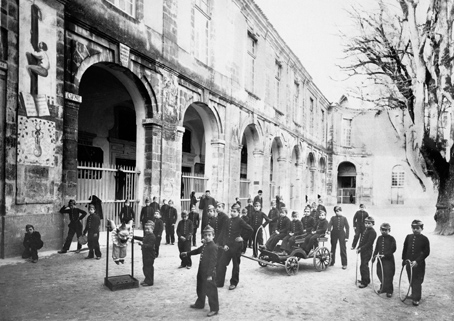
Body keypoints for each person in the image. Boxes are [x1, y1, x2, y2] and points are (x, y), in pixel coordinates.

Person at [182, 225, 219, 317]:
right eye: (205, 235)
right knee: (200, 287)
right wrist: (188, 253)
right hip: (201, 271)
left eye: (209, 235)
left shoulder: (213, 247)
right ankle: (200, 303)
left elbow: (213, 262)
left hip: (209, 273)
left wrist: (210, 274)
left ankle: (214, 309)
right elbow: (198, 250)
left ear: (213, 236)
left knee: (211, 291)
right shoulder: (206, 245)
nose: (207, 237)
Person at [216, 203, 253, 290]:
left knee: (235, 265)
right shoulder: (228, 220)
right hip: (228, 246)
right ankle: (219, 282)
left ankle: (234, 282)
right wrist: (224, 244)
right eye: (231, 211)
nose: (232, 213)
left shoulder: (240, 221)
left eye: (234, 211)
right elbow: (224, 233)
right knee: (222, 263)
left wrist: (242, 238)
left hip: (236, 247)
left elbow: (250, 229)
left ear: (238, 212)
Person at [402, 220, 430, 306]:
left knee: (417, 281)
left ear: (422, 228)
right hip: (409, 263)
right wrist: (404, 260)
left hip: (419, 264)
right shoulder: (408, 237)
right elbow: (405, 249)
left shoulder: (424, 239)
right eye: (413, 228)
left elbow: (426, 252)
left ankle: (416, 298)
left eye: (417, 228)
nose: (415, 230)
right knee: (411, 278)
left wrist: (417, 261)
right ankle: (413, 293)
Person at [372, 223, 396, 297]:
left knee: (388, 275)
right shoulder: (379, 238)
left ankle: (389, 290)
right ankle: (383, 287)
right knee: (380, 273)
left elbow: (393, 249)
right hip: (380, 260)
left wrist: (385, 255)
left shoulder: (391, 238)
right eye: (382, 230)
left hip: (388, 260)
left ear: (389, 230)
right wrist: (374, 256)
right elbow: (376, 248)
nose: (384, 231)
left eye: (386, 230)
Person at [134, 220, 156, 286]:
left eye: (148, 229)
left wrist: (142, 245)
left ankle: (150, 281)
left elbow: (150, 246)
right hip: (145, 254)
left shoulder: (152, 236)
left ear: (152, 229)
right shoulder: (148, 235)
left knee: (148, 268)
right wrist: (135, 237)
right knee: (145, 267)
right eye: (145, 229)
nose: (146, 230)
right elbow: (143, 238)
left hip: (149, 255)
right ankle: (147, 279)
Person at [357, 216, 377, 288]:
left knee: (364, 266)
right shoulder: (365, 230)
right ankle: (365, 279)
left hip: (367, 251)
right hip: (363, 250)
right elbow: (362, 240)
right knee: (362, 265)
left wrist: (361, 248)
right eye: (366, 223)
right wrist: (359, 247)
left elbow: (369, 243)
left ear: (373, 224)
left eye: (369, 223)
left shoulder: (373, 232)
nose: (367, 224)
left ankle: (365, 282)